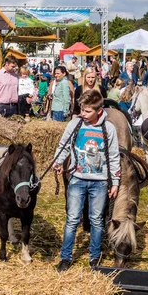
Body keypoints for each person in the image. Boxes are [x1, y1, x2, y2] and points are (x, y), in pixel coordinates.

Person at [54, 89, 120, 272]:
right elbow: (64, 146)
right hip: (77, 179)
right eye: (81, 109)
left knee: (97, 220)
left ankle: (94, 257)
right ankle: (65, 257)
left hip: (99, 182)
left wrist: (114, 182)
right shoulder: (75, 124)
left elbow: (114, 157)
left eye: (87, 111)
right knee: (72, 219)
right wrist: (58, 162)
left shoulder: (109, 129)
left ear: (99, 111)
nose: (82, 113)